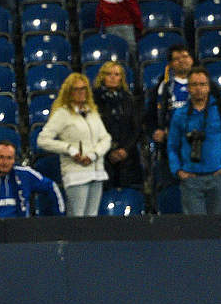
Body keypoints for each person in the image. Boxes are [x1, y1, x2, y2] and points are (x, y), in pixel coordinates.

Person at [166, 66, 221, 214]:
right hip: (190, 180)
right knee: (194, 230)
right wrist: (178, 170)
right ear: (188, 88)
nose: (198, 89)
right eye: (194, 85)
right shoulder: (180, 114)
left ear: (208, 87)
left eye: (202, 84)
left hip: (218, 178)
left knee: (220, 229)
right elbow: (172, 146)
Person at [37, 72, 111, 217]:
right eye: (76, 89)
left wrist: (94, 154)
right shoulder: (62, 114)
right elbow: (42, 140)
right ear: (69, 92)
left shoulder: (92, 112)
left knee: (92, 216)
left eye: (83, 88)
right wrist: (69, 149)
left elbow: (106, 138)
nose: (81, 92)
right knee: (77, 216)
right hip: (76, 172)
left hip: (97, 170)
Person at [142, 44, 194, 190]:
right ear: (170, 64)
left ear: (191, 59)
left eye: (185, 56)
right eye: (177, 59)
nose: (182, 61)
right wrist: (154, 131)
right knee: (170, 190)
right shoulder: (162, 87)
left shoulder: (204, 85)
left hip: (198, 147)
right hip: (169, 149)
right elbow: (149, 116)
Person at [0, 141, 64, 218]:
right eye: (1, 157)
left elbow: (51, 186)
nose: (5, 162)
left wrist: (59, 216)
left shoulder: (26, 174)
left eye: (9, 158)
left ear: (14, 160)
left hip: (21, 230)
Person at [93, 60, 141, 189]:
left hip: (127, 154)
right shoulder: (93, 100)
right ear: (102, 77)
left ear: (121, 78)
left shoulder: (129, 99)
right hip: (102, 156)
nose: (113, 77)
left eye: (117, 74)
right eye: (109, 74)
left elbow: (136, 128)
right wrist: (109, 151)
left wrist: (124, 149)